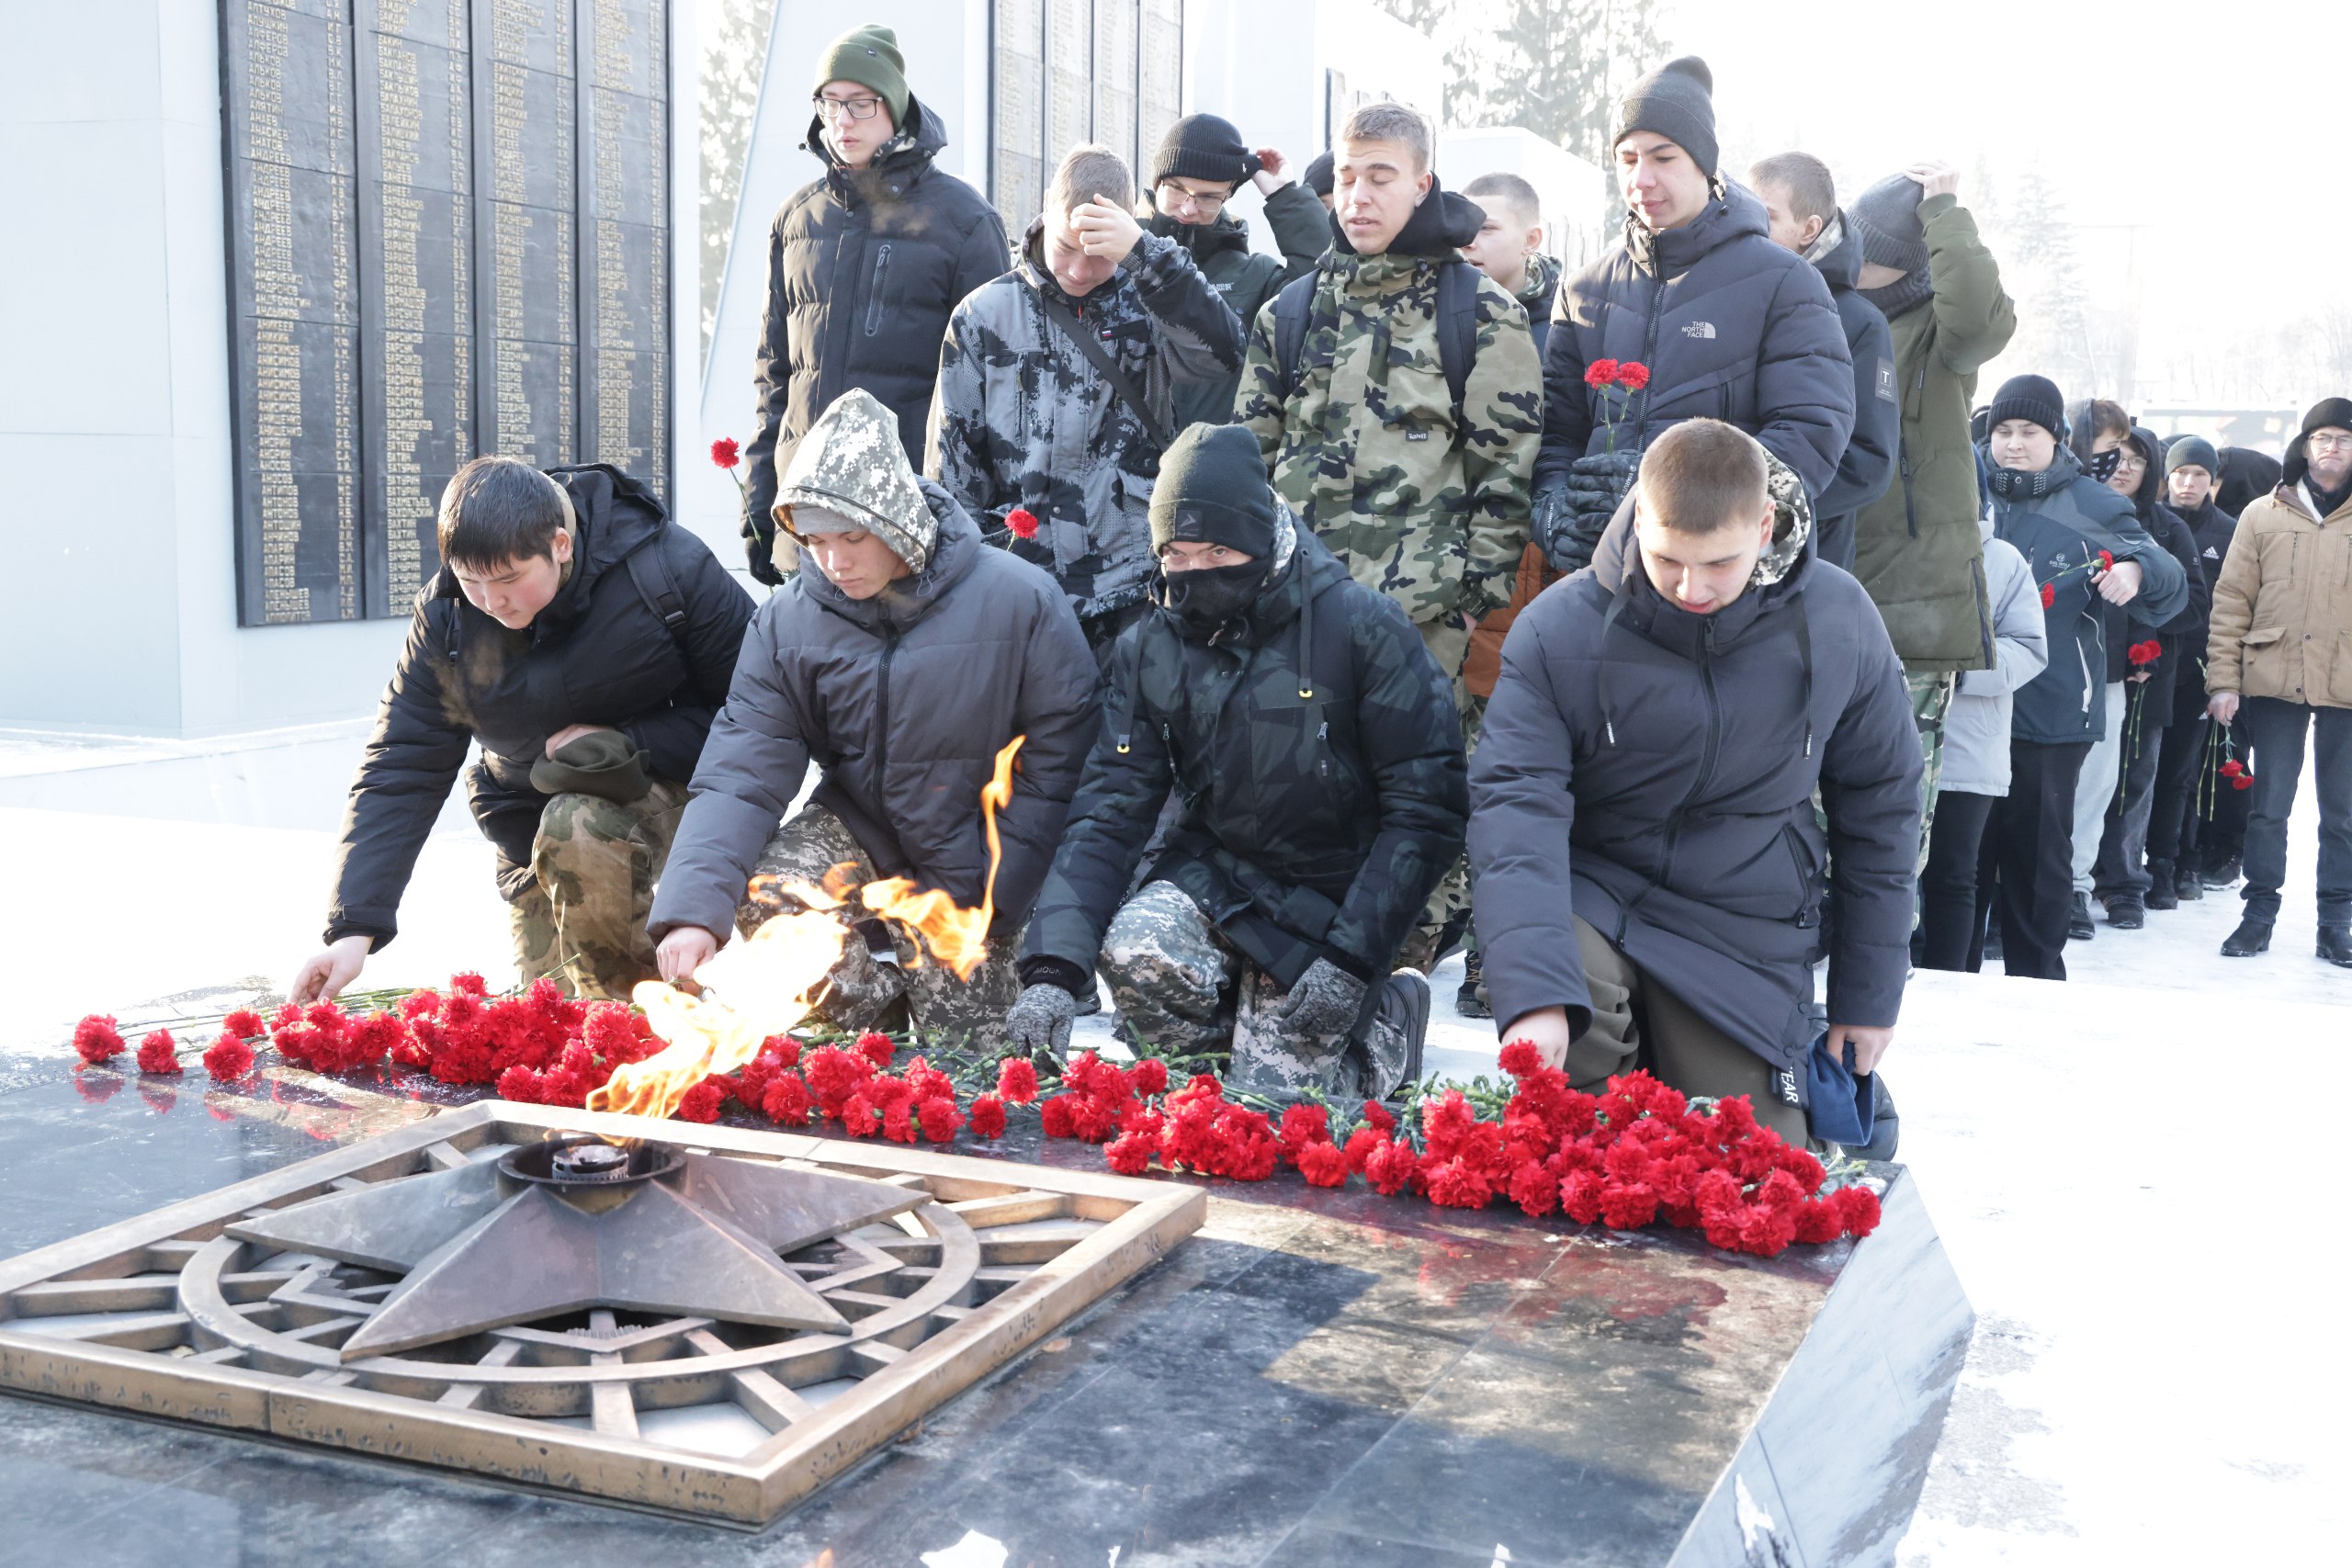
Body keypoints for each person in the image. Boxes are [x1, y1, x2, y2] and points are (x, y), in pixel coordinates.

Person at [1472, 420, 1920, 1145]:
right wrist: (1533, 995)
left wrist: (1867, 999)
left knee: (1751, 1161)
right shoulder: (1558, 629)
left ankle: (1779, 1062)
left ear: (1766, 525)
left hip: (1743, 922)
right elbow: (1513, 816)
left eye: (1719, 563)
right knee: (1576, 1101)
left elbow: (1884, 809)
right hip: (1601, 894)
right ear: (1640, 517)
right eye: (1668, 558)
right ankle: (1601, 1092)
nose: (1691, 587)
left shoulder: (1840, 621)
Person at [1006, 424, 1467, 1098]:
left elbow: (1428, 807)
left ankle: (1391, 1024)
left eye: (1218, 549)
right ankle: (1237, 1044)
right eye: (1178, 554)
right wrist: (1051, 972)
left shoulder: (1363, 628)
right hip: (1218, 882)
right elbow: (1110, 809)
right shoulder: (1149, 649)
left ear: (1258, 537)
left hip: (1333, 904)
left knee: (1285, 1108)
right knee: (1135, 950)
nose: (1197, 574)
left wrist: (1351, 956)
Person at [648, 390, 1100, 1045]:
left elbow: (1061, 758)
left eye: (853, 537)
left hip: (976, 850)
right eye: (818, 539)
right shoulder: (789, 621)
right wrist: (691, 913)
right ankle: (872, 1024)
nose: (834, 561)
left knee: (979, 1074)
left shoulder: (1019, 600)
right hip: (864, 826)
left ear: (897, 519)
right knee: (769, 893)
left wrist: (999, 888)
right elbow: (742, 769)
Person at [1233, 100, 1540, 971]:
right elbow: (1248, 467)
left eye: (1382, 177)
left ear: (1422, 185)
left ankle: (1404, 958)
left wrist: (1466, 605)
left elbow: (1502, 479)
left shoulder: (1479, 315)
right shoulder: (1288, 313)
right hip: (1297, 612)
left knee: (1415, 797)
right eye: (1347, 176)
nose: (1359, 197)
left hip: (1422, 619)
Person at [293, 458, 755, 1004]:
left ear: (560, 544)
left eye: (510, 579)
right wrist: (353, 930)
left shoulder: (667, 568)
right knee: (545, 1013)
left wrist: (628, 742)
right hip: (526, 821)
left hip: (663, 791)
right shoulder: (447, 617)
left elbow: (758, 716)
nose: (493, 603)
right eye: (473, 582)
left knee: (582, 845)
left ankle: (654, 1031)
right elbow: (402, 762)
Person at [1532, 57, 1854, 577]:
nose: (1642, 179)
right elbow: (1556, 435)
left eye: (1663, 157)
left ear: (1704, 162)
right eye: (1627, 158)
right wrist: (1552, 514)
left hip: (1723, 582)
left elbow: (1809, 436)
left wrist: (1663, 489)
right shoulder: (1584, 290)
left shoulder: (1784, 283)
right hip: (1600, 580)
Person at [928, 144, 1246, 657]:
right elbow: (953, 471)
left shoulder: (1152, 302)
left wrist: (1147, 254)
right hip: (1017, 583)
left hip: (1133, 588)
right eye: (1065, 247)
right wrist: (962, 585)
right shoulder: (983, 316)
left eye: (1097, 253)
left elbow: (1226, 354)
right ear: (1045, 209)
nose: (1078, 269)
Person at [738, 24, 1010, 585]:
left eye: (860, 104)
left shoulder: (965, 222)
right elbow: (775, 377)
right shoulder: (796, 219)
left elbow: (998, 386)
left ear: (895, 107)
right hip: (808, 523)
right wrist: (759, 505)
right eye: (830, 103)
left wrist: (976, 520)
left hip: (909, 517)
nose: (841, 121)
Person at [1976, 376, 2188, 980]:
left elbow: (2169, 582)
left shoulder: (2090, 504)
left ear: (2058, 437)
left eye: (2030, 432)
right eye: (2004, 432)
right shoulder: (1963, 488)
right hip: (1968, 705)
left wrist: (2136, 571)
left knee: (2038, 860)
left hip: (2052, 710)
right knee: (1959, 864)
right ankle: (1950, 977)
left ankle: (2037, 982)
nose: (2014, 445)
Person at [1847, 164, 2016, 888]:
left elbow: (1981, 316)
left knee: (1896, 793)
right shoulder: (1821, 311)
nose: (1857, 259)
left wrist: (1944, 210)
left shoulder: (1943, 338)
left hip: (1918, 602)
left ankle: (1880, 949)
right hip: (1832, 581)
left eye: (1874, 246)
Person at [2204, 398, 2352, 966]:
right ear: (2304, 446)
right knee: (2270, 805)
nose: (2331, 447)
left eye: (2342, 437)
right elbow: (2232, 600)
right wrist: (2224, 679)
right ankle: (2258, 915)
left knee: (2341, 812)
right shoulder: (2263, 514)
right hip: (2273, 674)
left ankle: (2335, 922)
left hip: (2345, 682)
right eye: (2321, 437)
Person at [1749, 152, 1898, 573]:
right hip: (1709, 555)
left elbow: (1870, 463)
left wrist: (1752, 505)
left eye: (1767, 217)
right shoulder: (1730, 303)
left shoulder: (1862, 323)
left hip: (1809, 562)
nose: (1747, 227)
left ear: (1809, 229)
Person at [2090, 424, 2211, 927]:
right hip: (2081, 673)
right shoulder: (2079, 514)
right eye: (2114, 457)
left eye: (2136, 461)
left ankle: (2122, 884)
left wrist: (2142, 606)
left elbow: (2196, 604)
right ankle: (2071, 880)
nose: (2123, 468)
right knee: (2077, 782)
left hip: (2146, 676)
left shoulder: (2167, 529)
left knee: (2134, 780)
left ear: (2151, 472)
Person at [1136, 115, 1328, 430]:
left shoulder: (1257, 276)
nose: (1188, 208)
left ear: (1227, 195)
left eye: (1208, 197)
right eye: (1176, 190)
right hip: (1123, 476)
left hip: (1216, 471)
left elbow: (1326, 297)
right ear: (1157, 184)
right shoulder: (1116, 258)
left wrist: (1286, 197)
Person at [1918, 503, 2046, 971]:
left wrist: (1960, 671)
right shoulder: (1888, 543)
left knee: (1953, 874)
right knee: (1881, 874)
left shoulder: (2003, 559)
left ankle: (1947, 982)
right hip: (1891, 741)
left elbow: (2029, 647)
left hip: (1968, 745)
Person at [2149, 435, 2244, 901]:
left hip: (2197, 669)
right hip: (2145, 665)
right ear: (2166, 477)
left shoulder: (2229, 531)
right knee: (2137, 769)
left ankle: (2177, 863)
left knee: (2182, 772)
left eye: (2199, 476)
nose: (2188, 483)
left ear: (2214, 482)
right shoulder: (2147, 523)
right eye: (2181, 474)